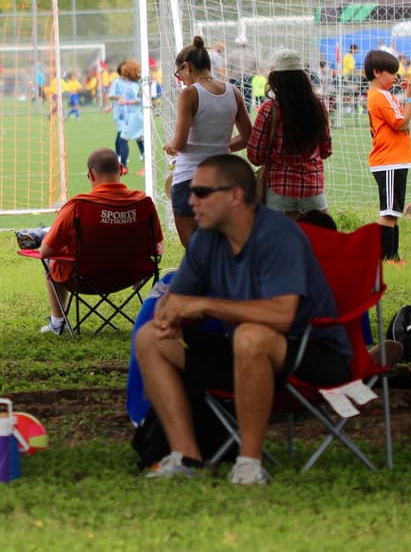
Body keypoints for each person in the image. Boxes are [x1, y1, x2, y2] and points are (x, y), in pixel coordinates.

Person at [134, 154, 350, 486]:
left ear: (235, 196)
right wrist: (169, 314)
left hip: (314, 354)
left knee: (250, 336)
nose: (192, 201)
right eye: (192, 192)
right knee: (151, 337)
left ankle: (249, 464)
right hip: (245, 355)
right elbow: (177, 298)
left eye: (203, 192)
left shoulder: (279, 236)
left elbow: (282, 315)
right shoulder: (206, 237)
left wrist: (205, 304)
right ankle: (186, 456)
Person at [38, 148, 163, 336]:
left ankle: (57, 323)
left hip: (83, 280)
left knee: (50, 263)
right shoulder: (144, 203)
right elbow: (156, 246)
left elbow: (45, 251)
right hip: (132, 275)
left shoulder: (78, 205)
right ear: (121, 170)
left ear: (91, 174)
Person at [164, 36, 252, 247]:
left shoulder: (190, 94)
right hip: (224, 178)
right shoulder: (234, 92)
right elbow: (248, 136)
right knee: (224, 247)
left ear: (187, 66)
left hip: (189, 179)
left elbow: (180, 144)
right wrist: (219, 148)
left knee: (195, 250)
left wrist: (170, 146)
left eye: (180, 74)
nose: (181, 79)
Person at [246, 50, 333, 218]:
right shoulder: (318, 107)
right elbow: (326, 150)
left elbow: (255, 155)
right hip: (312, 187)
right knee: (318, 241)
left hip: (279, 190)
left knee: (281, 242)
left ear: (274, 78)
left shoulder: (269, 110)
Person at [364, 48, 411, 264]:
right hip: (388, 161)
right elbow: (400, 123)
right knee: (388, 212)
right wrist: (409, 106)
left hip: (397, 159)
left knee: (394, 212)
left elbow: (403, 122)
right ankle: (387, 258)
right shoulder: (378, 97)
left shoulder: (386, 95)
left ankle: (394, 257)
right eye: (392, 73)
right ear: (377, 72)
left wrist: (409, 101)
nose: (396, 77)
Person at [107, 59, 144, 176]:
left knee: (123, 139)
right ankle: (142, 164)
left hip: (136, 116)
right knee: (139, 139)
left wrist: (126, 102)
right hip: (134, 116)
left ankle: (123, 167)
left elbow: (140, 100)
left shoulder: (133, 86)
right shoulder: (134, 84)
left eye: (125, 73)